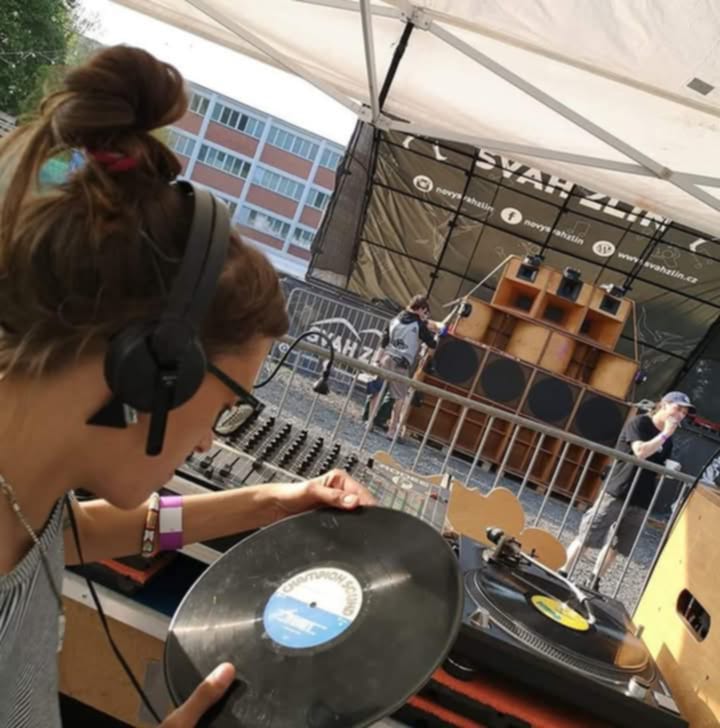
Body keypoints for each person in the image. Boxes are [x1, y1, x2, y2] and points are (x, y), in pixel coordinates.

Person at [0, 46, 375, 728]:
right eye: (226, 404)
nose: (207, 440)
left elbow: (79, 533)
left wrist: (267, 503)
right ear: (152, 363)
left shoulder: (26, 500)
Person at [564, 391, 693, 585]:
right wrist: (665, 434)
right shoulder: (640, 423)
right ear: (665, 404)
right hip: (619, 489)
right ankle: (563, 572)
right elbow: (640, 451)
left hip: (642, 497)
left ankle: (594, 580)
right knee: (590, 534)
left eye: (684, 412)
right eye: (678, 409)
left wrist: (667, 468)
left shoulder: (669, 440)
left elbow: (656, 466)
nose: (681, 415)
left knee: (618, 545)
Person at [370, 295, 439, 442]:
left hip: (386, 358)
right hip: (401, 364)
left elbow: (383, 341)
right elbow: (432, 343)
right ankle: (391, 431)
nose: (425, 315)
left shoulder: (395, 319)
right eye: (425, 312)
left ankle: (369, 422)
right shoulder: (419, 325)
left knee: (377, 392)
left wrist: (376, 360)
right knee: (399, 399)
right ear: (421, 309)